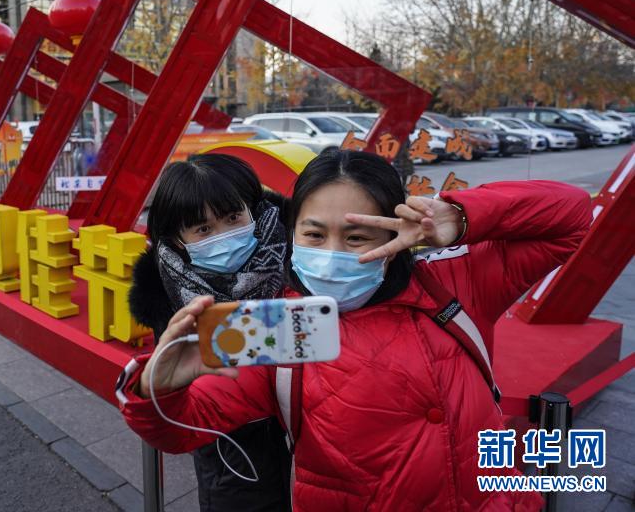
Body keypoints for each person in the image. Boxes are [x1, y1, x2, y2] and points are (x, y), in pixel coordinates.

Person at [117, 150, 592, 511]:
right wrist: (156, 389)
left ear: (396, 230)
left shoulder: (455, 283)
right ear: (291, 232)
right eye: (315, 234)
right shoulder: (277, 323)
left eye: (357, 235)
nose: (334, 252)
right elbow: (186, 430)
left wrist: (460, 216)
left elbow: (571, 218)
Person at [128, 153, 292, 512]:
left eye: (234, 217)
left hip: (313, 450)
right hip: (232, 464)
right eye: (203, 229)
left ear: (253, 208)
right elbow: (178, 412)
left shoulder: (303, 254)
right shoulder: (169, 291)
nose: (225, 235)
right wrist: (152, 387)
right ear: (178, 239)